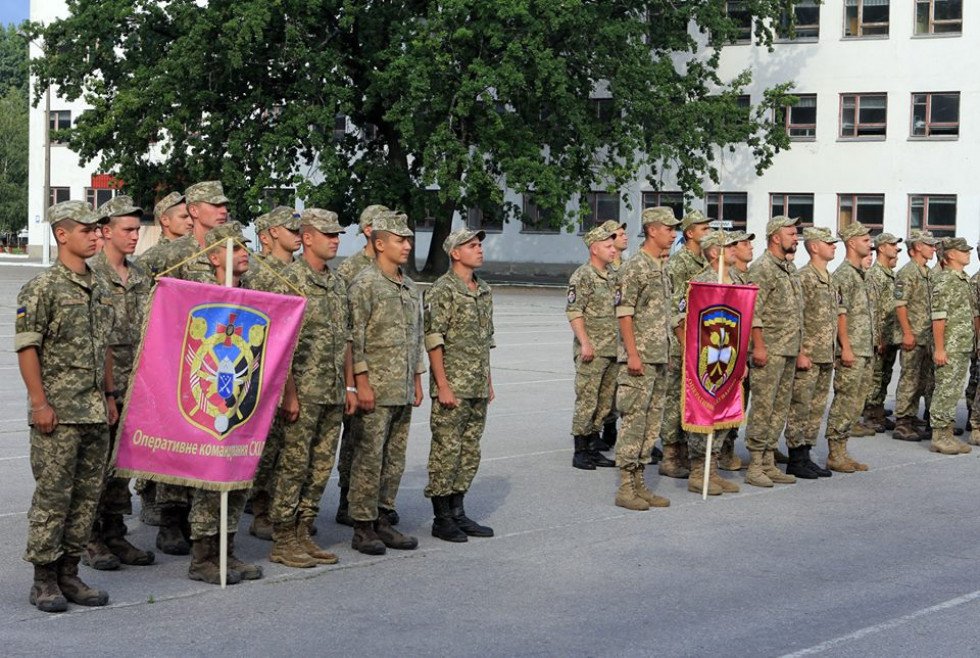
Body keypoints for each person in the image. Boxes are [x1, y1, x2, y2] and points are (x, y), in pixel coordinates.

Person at [16, 200, 118, 612]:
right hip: (58, 414)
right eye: (86, 230)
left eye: (97, 230)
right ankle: (44, 580)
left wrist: (110, 396)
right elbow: (27, 348)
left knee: (86, 498)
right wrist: (39, 403)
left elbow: (104, 347)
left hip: (93, 412)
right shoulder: (41, 288)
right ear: (62, 234)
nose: (95, 236)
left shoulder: (101, 287)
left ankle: (70, 573)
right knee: (53, 499)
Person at [268, 209, 357, 567]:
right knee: (293, 466)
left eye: (337, 235)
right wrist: (288, 393)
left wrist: (349, 387)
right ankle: (282, 538)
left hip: (332, 392)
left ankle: (304, 531)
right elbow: (278, 343)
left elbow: (346, 338)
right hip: (302, 393)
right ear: (307, 238)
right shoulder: (289, 280)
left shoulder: (337, 282)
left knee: (320, 467)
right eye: (328, 234)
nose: (335, 241)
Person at [182, 221, 264, 585]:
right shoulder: (201, 297)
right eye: (235, 248)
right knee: (210, 480)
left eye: (245, 247)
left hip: (244, 403)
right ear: (214, 257)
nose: (244, 254)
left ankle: (227, 551)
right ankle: (202, 557)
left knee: (238, 476)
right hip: (208, 406)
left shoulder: (255, 297)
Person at [83, 196, 156, 570]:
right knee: (95, 467)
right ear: (105, 231)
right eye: (127, 229)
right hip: (99, 388)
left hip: (135, 386)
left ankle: (114, 533)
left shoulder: (141, 275)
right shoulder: (88, 274)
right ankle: (89, 538)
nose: (134, 236)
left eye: (137, 230)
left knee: (122, 466)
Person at [347, 211, 426, 555]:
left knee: (394, 459)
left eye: (408, 240)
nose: (406, 245)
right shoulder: (365, 284)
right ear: (379, 244)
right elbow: (354, 337)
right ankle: (362, 526)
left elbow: (416, 336)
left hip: (401, 387)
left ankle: (382, 517)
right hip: (375, 389)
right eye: (399, 240)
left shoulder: (409, 287)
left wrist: (417, 378)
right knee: (368, 458)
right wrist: (360, 382)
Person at [424, 228, 496, 542]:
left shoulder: (484, 290)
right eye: (472, 246)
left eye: (479, 245)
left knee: (469, 451)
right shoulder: (443, 289)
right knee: (446, 451)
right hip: (452, 385)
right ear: (455, 253)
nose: (479, 249)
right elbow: (433, 339)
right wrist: (442, 385)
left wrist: (488, 381)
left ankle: (458, 511)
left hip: (476, 384)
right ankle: (441, 518)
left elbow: (486, 340)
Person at [240, 205, 302, 541]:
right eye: (292, 230)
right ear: (272, 233)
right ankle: (261, 510)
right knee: (268, 446)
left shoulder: (301, 271)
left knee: (291, 450)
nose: (298, 236)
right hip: (270, 374)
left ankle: (286, 509)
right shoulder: (261, 275)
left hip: (304, 370)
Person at [612, 207, 678, 511]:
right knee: (634, 422)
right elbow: (624, 313)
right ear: (652, 230)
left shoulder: (661, 266)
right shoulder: (635, 267)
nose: (673, 234)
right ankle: (626, 487)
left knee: (651, 423)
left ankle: (640, 483)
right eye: (668, 228)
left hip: (659, 357)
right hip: (639, 360)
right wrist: (633, 354)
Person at [133, 190, 190, 526]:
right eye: (183, 216)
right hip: (161, 352)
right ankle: (148, 492)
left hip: (186, 353)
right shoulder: (153, 258)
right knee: (156, 430)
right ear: (165, 220)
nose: (189, 221)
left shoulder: (196, 254)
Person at [335, 204, 392, 528]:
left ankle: (374, 501)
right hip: (358, 368)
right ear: (370, 230)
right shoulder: (351, 269)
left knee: (379, 443)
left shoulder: (391, 266)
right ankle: (348, 498)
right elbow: (348, 325)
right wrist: (353, 379)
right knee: (355, 438)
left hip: (386, 370)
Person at [744, 216, 803, 487]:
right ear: (776, 238)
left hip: (788, 348)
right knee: (763, 407)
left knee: (779, 408)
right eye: (790, 233)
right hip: (769, 350)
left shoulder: (789, 268)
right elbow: (753, 311)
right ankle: (755, 464)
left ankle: (769, 460)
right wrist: (759, 346)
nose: (795, 237)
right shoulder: (762, 269)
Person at [682, 230, 743, 495]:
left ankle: (713, 470)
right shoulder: (700, 283)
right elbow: (680, 318)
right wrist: (691, 354)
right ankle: (698, 472)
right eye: (729, 246)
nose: (735, 249)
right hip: (705, 359)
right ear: (714, 252)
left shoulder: (739, 280)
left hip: (730, 356)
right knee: (704, 411)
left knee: (723, 412)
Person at [661, 209, 712, 478]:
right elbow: (675, 309)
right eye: (704, 229)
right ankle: (670, 456)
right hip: (681, 342)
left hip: (699, 342)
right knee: (674, 398)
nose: (709, 233)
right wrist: (684, 344)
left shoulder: (706, 262)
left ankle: (688, 452)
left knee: (691, 399)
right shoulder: (679, 264)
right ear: (690, 233)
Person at [784, 227, 838, 479]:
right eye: (829, 243)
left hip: (825, 353)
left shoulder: (829, 277)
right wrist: (800, 352)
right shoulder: (804, 277)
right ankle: (795, 457)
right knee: (800, 406)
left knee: (816, 408)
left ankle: (806, 453)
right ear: (814, 247)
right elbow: (796, 317)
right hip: (808, 353)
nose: (834, 246)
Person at [565, 224, 619, 470]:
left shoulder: (613, 275)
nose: (613, 250)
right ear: (594, 249)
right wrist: (585, 343)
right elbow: (574, 311)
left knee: (604, 403)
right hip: (592, 351)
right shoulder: (583, 276)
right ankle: (580, 451)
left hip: (612, 350)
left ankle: (594, 447)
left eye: (613, 246)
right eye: (608, 246)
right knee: (587, 401)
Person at [824, 223, 874, 472]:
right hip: (852, 349)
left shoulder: (860, 274)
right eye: (865, 240)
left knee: (856, 402)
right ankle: (835, 453)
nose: (869, 244)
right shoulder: (843, 275)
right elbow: (840, 314)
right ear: (852, 243)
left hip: (864, 348)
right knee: (845, 400)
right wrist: (845, 346)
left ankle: (843, 450)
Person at [927, 237, 976, 455]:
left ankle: (947, 434)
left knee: (954, 391)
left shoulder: (962, 278)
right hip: (949, 346)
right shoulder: (945, 280)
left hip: (961, 344)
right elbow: (938, 317)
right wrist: (939, 348)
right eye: (963, 251)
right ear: (951, 255)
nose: (968, 253)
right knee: (944, 390)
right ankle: (939, 436)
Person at [892, 230, 939, 441]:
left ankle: (910, 419)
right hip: (913, 335)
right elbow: (900, 305)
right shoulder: (907, 272)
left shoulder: (926, 272)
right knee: (909, 379)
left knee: (921, 381)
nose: (934, 249)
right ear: (918, 247)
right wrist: (907, 333)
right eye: (930, 245)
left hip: (925, 336)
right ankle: (902, 422)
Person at [717, 230, 755, 471]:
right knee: (727, 402)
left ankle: (728, 448)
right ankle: (721, 451)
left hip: (748, 350)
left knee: (741, 403)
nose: (750, 247)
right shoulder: (724, 278)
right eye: (743, 244)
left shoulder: (747, 278)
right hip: (728, 352)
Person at [863, 233, 903, 433]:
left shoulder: (890, 274)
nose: (895, 248)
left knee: (885, 375)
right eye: (892, 244)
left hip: (891, 335)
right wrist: (877, 337)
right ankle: (870, 414)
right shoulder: (874, 275)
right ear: (881, 248)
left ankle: (878, 411)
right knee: (875, 377)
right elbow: (872, 309)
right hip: (880, 337)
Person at [596, 219, 628, 450]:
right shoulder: (598, 268)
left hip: (623, 339)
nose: (624, 236)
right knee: (601, 391)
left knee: (622, 390)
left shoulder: (627, 266)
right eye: (618, 234)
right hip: (603, 340)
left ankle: (614, 429)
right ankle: (596, 432)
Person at [135, 192, 192, 277]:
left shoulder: (199, 250)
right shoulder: (150, 259)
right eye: (184, 217)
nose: (191, 222)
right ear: (165, 220)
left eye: (192, 216)